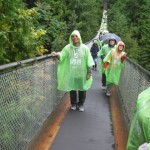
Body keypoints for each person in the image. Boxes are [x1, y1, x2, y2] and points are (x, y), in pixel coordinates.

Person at [51, 30, 94, 112]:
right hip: (72, 73)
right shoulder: (68, 48)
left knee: (82, 89)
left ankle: (81, 104)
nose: (75, 38)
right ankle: (73, 104)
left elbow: (90, 61)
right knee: (72, 89)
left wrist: (89, 72)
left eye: (76, 36)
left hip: (82, 73)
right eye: (73, 36)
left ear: (79, 37)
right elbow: (62, 56)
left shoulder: (85, 48)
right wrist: (57, 54)